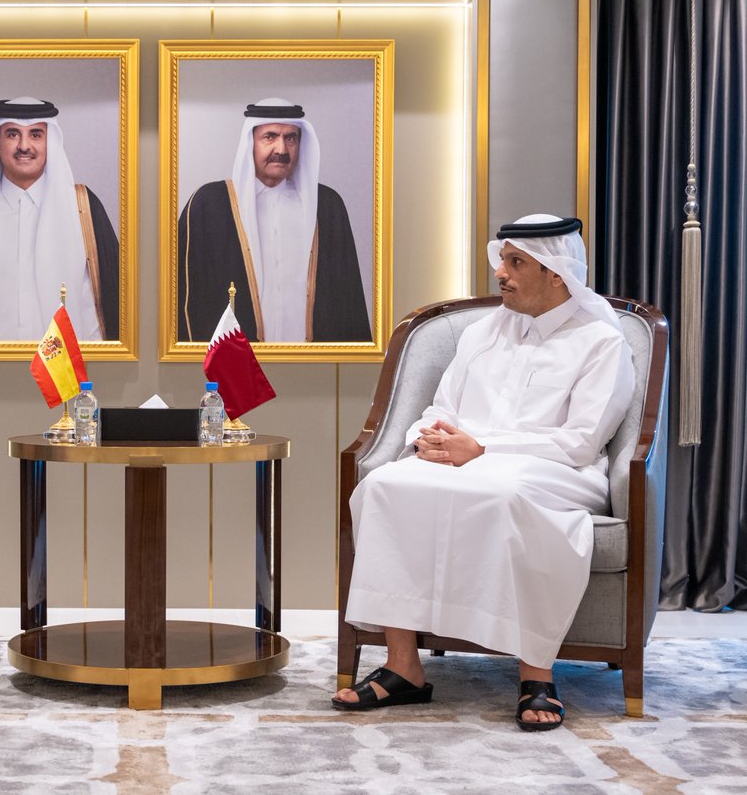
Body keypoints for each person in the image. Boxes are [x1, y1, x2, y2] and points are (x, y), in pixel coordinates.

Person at [332, 214, 635, 732]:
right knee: (383, 485)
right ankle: (402, 667)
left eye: (516, 263)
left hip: (556, 469)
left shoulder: (600, 342)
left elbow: (581, 442)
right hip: (464, 459)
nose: (500, 273)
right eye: (502, 260)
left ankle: (536, 674)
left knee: (506, 493)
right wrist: (428, 439)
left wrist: (483, 448)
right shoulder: (480, 333)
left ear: (557, 274)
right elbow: (440, 407)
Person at [176, 97, 371, 343]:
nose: (281, 149)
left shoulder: (327, 206)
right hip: (235, 361)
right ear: (251, 142)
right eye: (269, 137)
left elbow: (349, 298)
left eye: (291, 138)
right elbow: (185, 298)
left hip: (312, 361)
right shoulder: (209, 205)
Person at [0, 97, 119, 341]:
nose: (24, 146)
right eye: (12, 134)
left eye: (36, 135)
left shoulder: (84, 208)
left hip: (71, 364)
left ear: (51, 144)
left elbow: (115, 297)